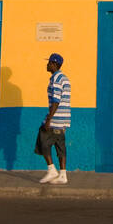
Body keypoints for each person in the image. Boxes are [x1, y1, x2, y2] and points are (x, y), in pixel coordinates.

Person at [35, 53, 70, 185]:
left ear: (54, 64)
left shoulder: (55, 79)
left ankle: (51, 170)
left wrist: (49, 119)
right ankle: (63, 175)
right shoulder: (64, 78)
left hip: (55, 119)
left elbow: (56, 100)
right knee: (60, 146)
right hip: (64, 119)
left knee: (43, 140)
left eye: (49, 62)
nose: (47, 64)